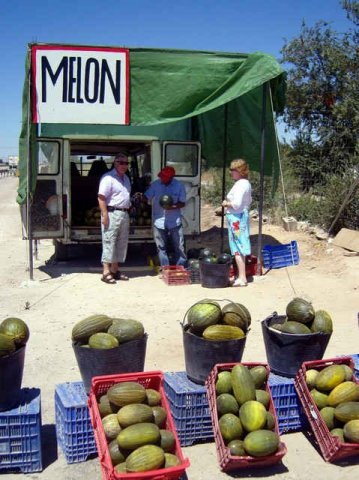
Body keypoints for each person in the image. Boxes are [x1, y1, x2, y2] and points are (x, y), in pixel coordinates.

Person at [97, 152, 131, 284]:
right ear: (115, 163)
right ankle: (105, 272)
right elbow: (101, 197)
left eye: (126, 163)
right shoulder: (108, 178)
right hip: (112, 213)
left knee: (121, 243)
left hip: (124, 213)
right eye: (121, 162)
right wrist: (105, 215)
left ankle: (115, 270)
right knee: (109, 241)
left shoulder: (126, 179)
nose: (124, 165)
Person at [144, 166, 187, 269]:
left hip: (174, 221)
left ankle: (180, 268)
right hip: (159, 221)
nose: (162, 179)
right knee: (161, 247)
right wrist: (141, 197)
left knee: (179, 247)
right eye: (162, 177)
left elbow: (182, 203)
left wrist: (172, 207)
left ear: (171, 177)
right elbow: (147, 196)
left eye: (165, 178)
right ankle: (165, 268)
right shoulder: (155, 184)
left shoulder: (179, 186)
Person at [222, 159, 252, 287]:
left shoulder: (240, 184)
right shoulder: (246, 183)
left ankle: (242, 277)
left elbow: (236, 204)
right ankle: (242, 276)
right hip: (241, 216)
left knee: (237, 247)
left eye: (233, 170)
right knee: (241, 245)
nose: (231, 172)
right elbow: (248, 201)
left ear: (240, 171)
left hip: (236, 218)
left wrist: (226, 203)